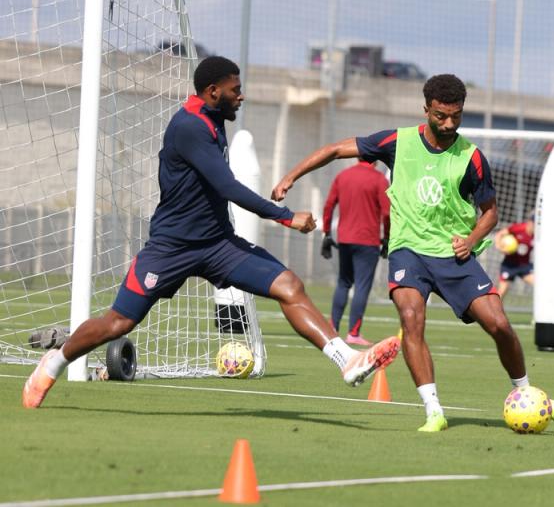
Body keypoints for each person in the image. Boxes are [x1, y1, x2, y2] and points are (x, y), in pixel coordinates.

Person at [22, 56, 400, 409]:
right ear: (213, 91)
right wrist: (286, 217)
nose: (242, 95)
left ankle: (346, 359)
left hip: (219, 245)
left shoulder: (215, 119)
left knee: (290, 286)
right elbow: (228, 187)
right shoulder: (189, 126)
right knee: (119, 322)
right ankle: (55, 361)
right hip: (171, 248)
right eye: (235, 89)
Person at [272, 74, 554, 432]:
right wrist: (290, 177)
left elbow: (490, 212)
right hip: (408, 252)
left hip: (454, 256)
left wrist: (471, 238)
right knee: (412, 320)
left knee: (500, 325)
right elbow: (337, 149)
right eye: (441, 116)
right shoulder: (396, 142)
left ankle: (530, 396)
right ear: (426, 109)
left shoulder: (472, 158)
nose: (448, 124)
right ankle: (434, 411)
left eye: (456, 116)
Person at [322, 160, 391, 346]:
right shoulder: (379, 180)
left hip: (345, 239)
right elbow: (386, 213)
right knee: (362, 286)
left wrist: (327, 234)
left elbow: (329, 205)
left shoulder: (343, 176)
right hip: (368, 241)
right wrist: (387, 238)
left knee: (343, 283)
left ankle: (332, 329)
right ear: (376, 160)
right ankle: (353, 333)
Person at [494, 219, 535, 297]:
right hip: (509, 265)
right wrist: (500, 247)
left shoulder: (538, 235)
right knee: (501, 293)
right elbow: (500, 234)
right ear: (530, 222)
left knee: (540, 286)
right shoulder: (519, 228)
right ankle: (494, 308)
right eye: (534, 223)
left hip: (524, 266)